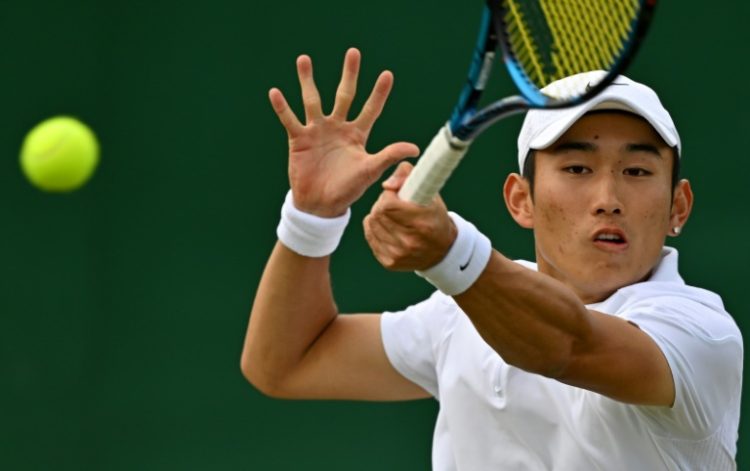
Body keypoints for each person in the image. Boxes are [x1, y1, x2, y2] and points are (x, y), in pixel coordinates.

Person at [240, 48, 743, 470]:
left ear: (678, 206)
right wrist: (311, 219)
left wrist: (452, 254)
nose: (607, 196)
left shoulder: (699, 333)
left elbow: (568, 345)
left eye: (636, 171)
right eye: (576, 167)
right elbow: (284, 363)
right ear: (520, 200)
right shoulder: (456, 317)